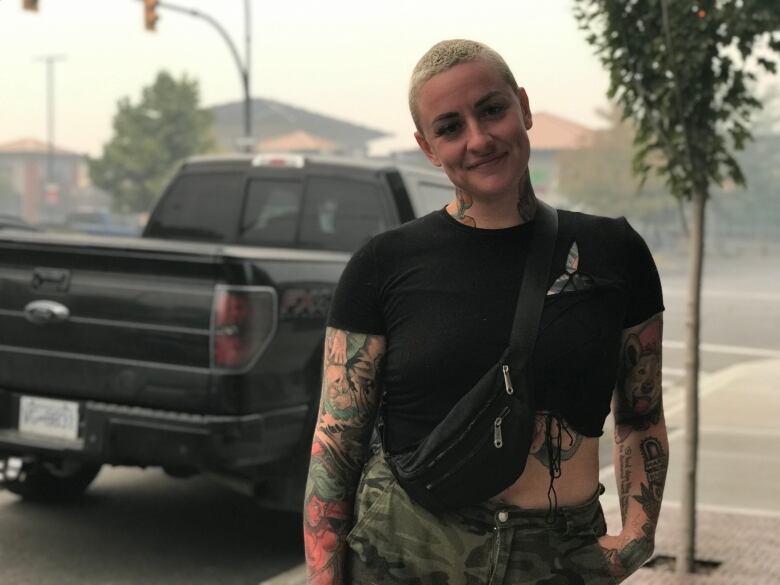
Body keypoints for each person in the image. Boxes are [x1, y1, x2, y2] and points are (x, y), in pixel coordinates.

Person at [304, 39, 668, 585]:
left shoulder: (613, 252)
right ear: (428, 147)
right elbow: (336, 442)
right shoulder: (383, 265)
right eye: (450, 127)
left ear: (522, 106)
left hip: (558, 557)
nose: (477, 139)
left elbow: (641, 415)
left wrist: (638, 535)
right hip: (408, 550)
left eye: (491, 110)